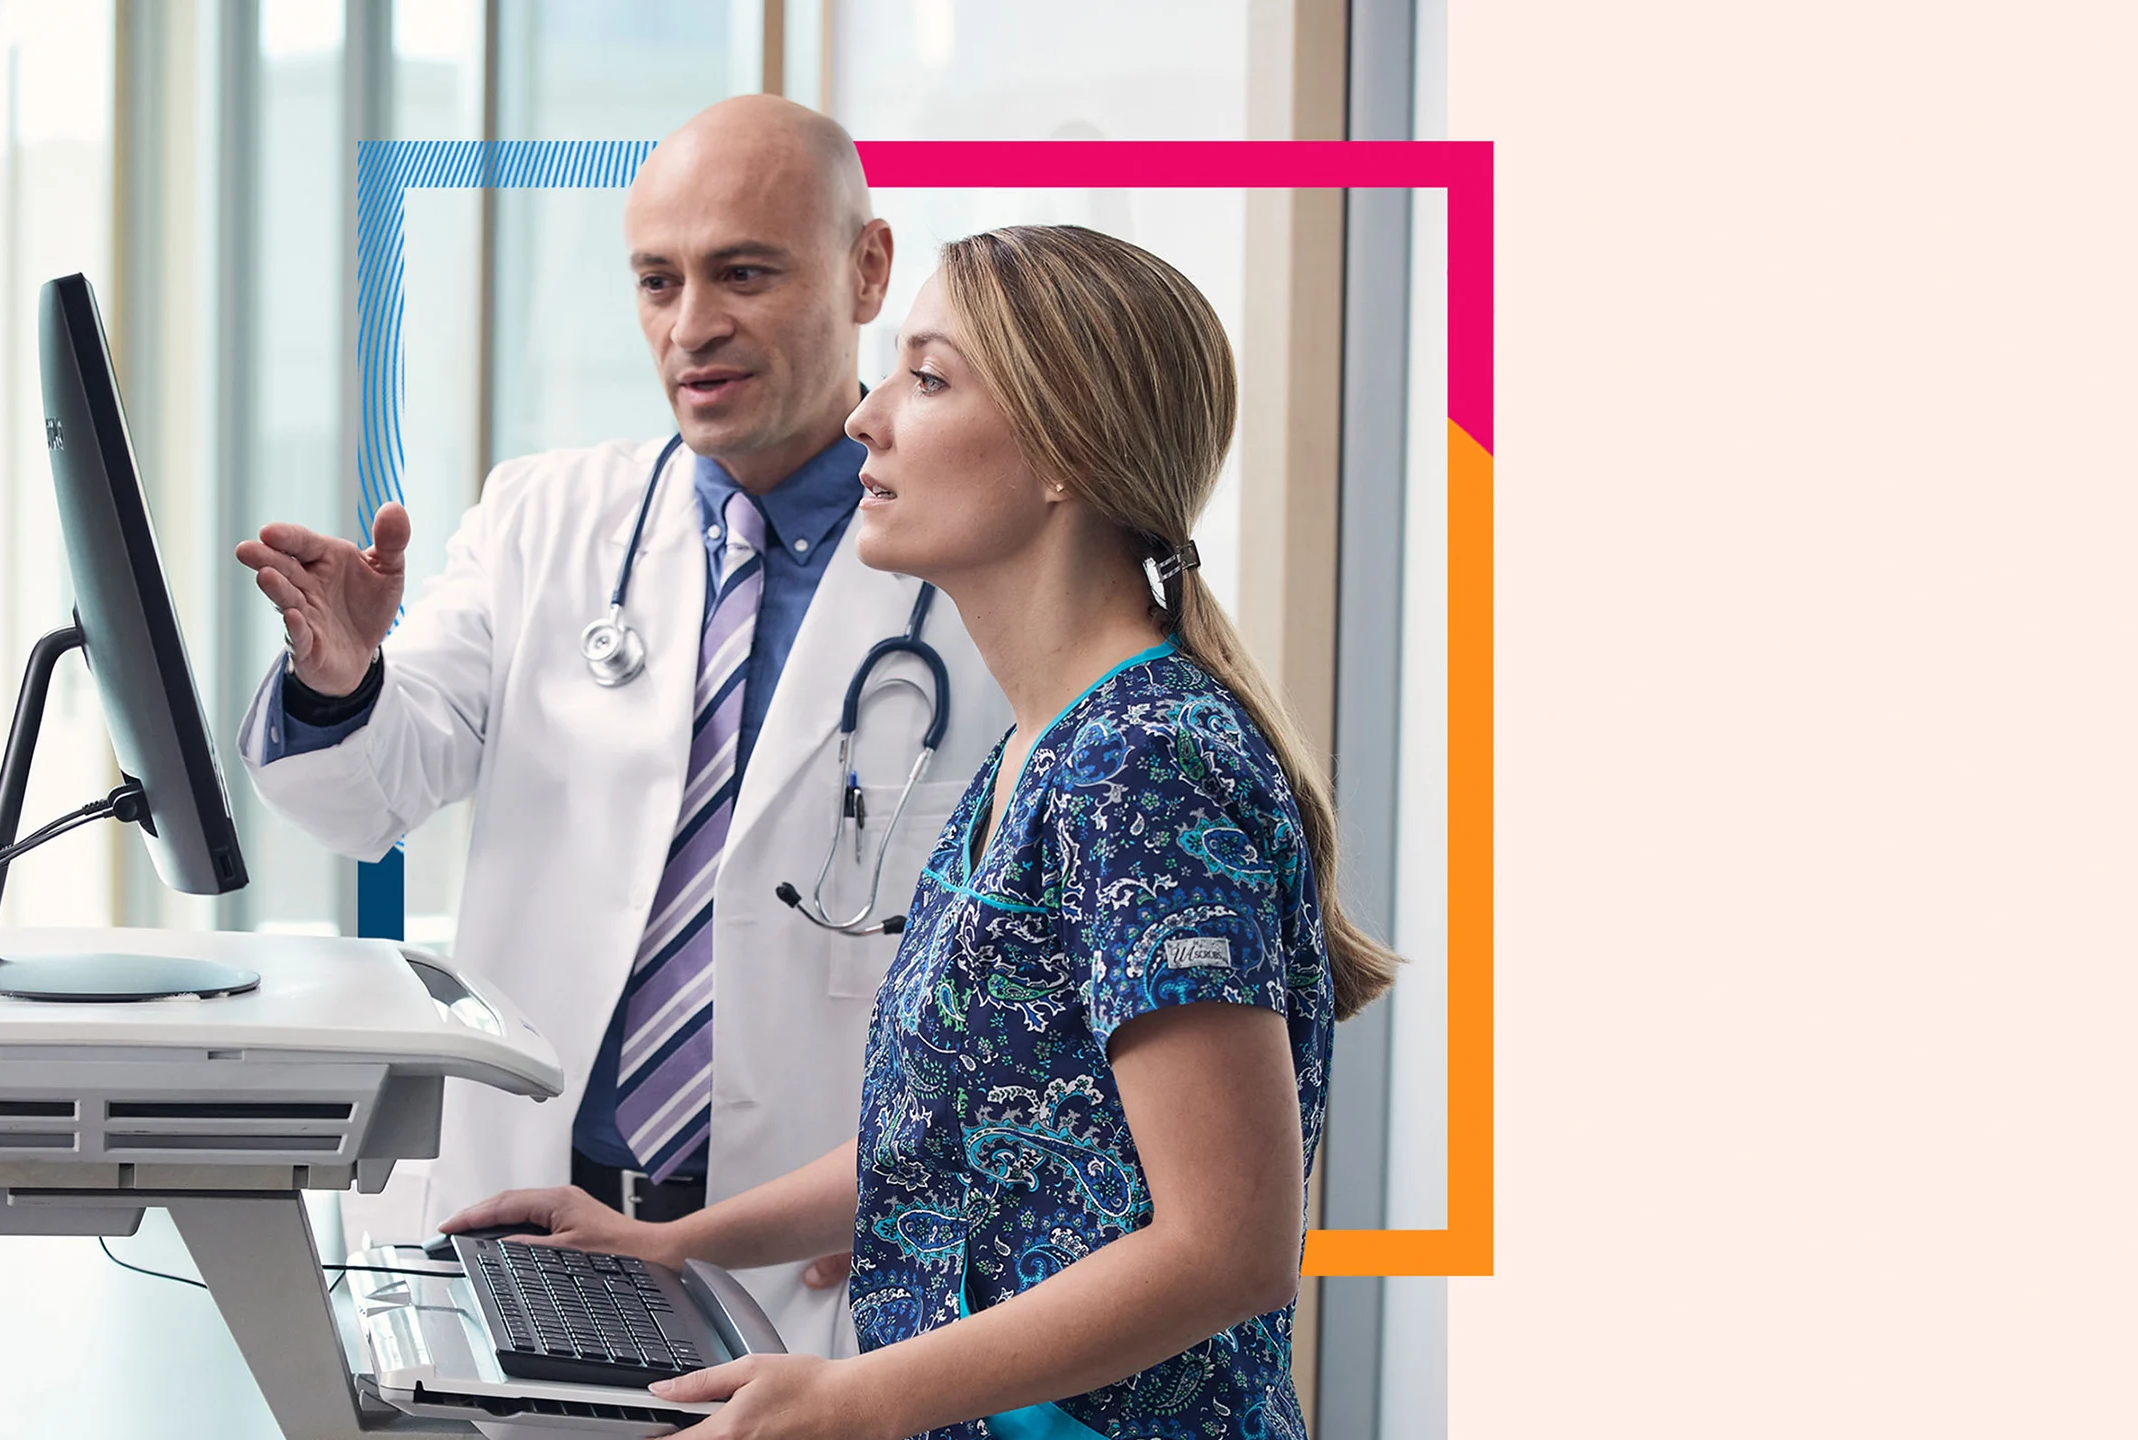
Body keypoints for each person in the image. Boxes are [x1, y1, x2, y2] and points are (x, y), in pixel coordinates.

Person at [440, 224, 1401, 1440]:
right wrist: (672, 1244)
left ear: (1065, 452)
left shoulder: (1143, 765)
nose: (867, 419)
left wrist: (855, 1398)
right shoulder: (1033, 752)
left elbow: (1229, 1249)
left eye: (928, 379)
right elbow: (951, 1136)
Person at [229, 96, 1008, 1359]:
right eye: (658, 280)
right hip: (527, 1230)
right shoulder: (544, 518)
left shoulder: (977, 571)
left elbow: (1049, 970)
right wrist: (339, 677)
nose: (691, 326)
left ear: (869, 268)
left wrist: (966, 1187)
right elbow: (368, 792)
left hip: (822, 1282)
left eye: (743, 273)